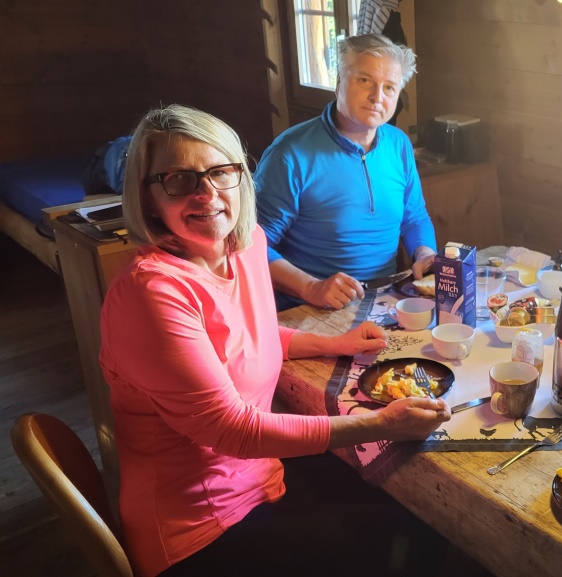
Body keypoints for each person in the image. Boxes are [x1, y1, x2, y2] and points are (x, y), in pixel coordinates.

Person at [99, 104, 455, 577]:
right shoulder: (152, 292)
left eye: (220, 172)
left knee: (414, 509)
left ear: (240, 178)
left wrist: (334, 343)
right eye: (180, 180)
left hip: (263, 478)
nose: (207, 194)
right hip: (197, 531)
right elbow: (233, 430)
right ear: (147, 198)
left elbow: (247, 337)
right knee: (415, 532)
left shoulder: (245, 246)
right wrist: (381, 423)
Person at [255, 33, 436, 311]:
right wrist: (311, 287)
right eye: (365, 80)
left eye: (389, 87)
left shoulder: (398, 144)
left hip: (385, 301)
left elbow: (414, 219)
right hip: (307, 309)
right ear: (339, 81)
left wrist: (424, 253)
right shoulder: (289, 154)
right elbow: (248, 247)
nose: (377, 97)